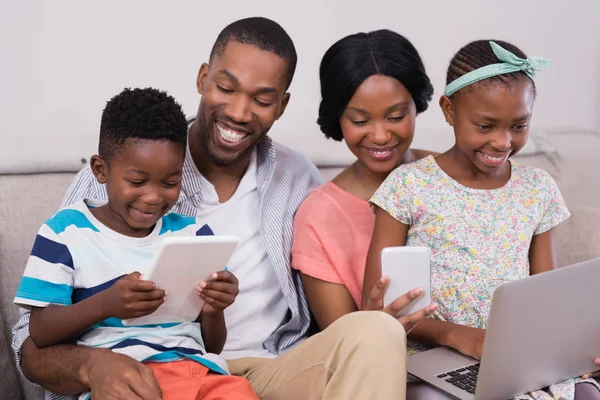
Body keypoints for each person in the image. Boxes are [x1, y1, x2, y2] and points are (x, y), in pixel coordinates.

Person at [12, 17, 428, 400]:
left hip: (266, 369)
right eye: (226, 89)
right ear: (202, 78)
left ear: (282, 106)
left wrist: (439, 166)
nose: (238, 112)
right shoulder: (118, 175)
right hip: (145, 370)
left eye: (262, 99)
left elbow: (369, 192)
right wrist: (89, 365)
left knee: (377, 331)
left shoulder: (297, 176)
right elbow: (29, 342)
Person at [364, 39, 600, 399]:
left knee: (587, 393)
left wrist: (573, 344)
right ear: (448, 110)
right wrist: (456, 334)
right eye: (485, 126)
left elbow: (548, 297)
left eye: (519, 126)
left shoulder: (537, 189)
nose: (503, 143)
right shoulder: (408, 185)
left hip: (515, 357)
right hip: (433, 357)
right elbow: (378, 305)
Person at [13, 87, 258, 400]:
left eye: (170, 182)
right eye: (137, 182)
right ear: (101, 170)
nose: (154, 197)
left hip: (200, 373)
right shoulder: (65, 232)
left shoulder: (194, 235)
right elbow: (41, 331)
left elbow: (212, 345)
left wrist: (212, 310)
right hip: (125, 381)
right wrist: (106, 304)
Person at [290, 29, 448, 399]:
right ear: (337, 118)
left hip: (478, 356)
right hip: (393, 375)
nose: (380, 136)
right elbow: (348, 348)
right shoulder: (317, 216)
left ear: (418, 105)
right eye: (360, 121)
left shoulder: (451, 176)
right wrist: (376, 321)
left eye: (396, 116)